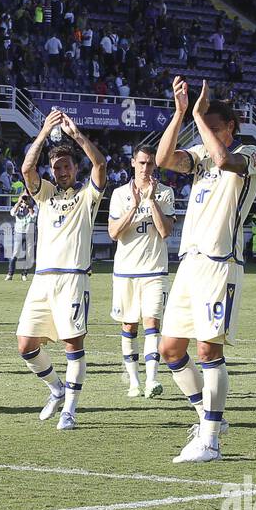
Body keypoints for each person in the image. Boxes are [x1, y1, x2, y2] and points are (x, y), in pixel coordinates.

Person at [156, 78, 256, 463]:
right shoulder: (199, 154)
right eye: (205, 126)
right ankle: (206, 417)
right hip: (189, 262)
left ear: (230, 127)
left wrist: (199, 115)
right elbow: (163, 160)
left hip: (221, 264)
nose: (206, 132)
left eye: (214, 126)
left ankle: (211, 441)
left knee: (207, 349)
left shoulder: (251, 154)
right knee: (169, 349)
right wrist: (182, 112)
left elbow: (223, 160)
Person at [15, 109, 107, 431]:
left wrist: (76, 134)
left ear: (75, 168)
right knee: (25, 345)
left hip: (72, 278)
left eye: (66, 166)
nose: (61, 171)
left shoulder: (86, 197)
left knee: (73, 345)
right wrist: (43, 133)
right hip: (42, 280)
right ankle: (56, 388)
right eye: (56, 168)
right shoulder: (45, 196)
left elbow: (100, 165)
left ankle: (70, 409)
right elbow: (27, 168)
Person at [108, 145, 175, 398]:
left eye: (150, 164)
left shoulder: (165, 193)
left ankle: (152, 380)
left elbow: (165, 231)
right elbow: (114, 233)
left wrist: (151, 200)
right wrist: (135, 206)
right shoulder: (119, 194)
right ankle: (134, 382)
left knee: (152, 323)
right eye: (142, 163)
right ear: (133, 163)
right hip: (126, 271)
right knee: (129, 326)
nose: (146, 169)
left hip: (155, 270)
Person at [6, 191, 35, 281]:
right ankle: (10, 274)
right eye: (24, 198)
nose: (25, 200)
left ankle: (24, 274)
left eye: (27, 198)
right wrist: (18, 203)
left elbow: (34, 216)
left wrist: (30, 206)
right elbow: (12, 213)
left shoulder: (34, 206)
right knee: (15, 254)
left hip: (29, 233)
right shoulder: (18, 206)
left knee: (28, 254)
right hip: (19, 232)